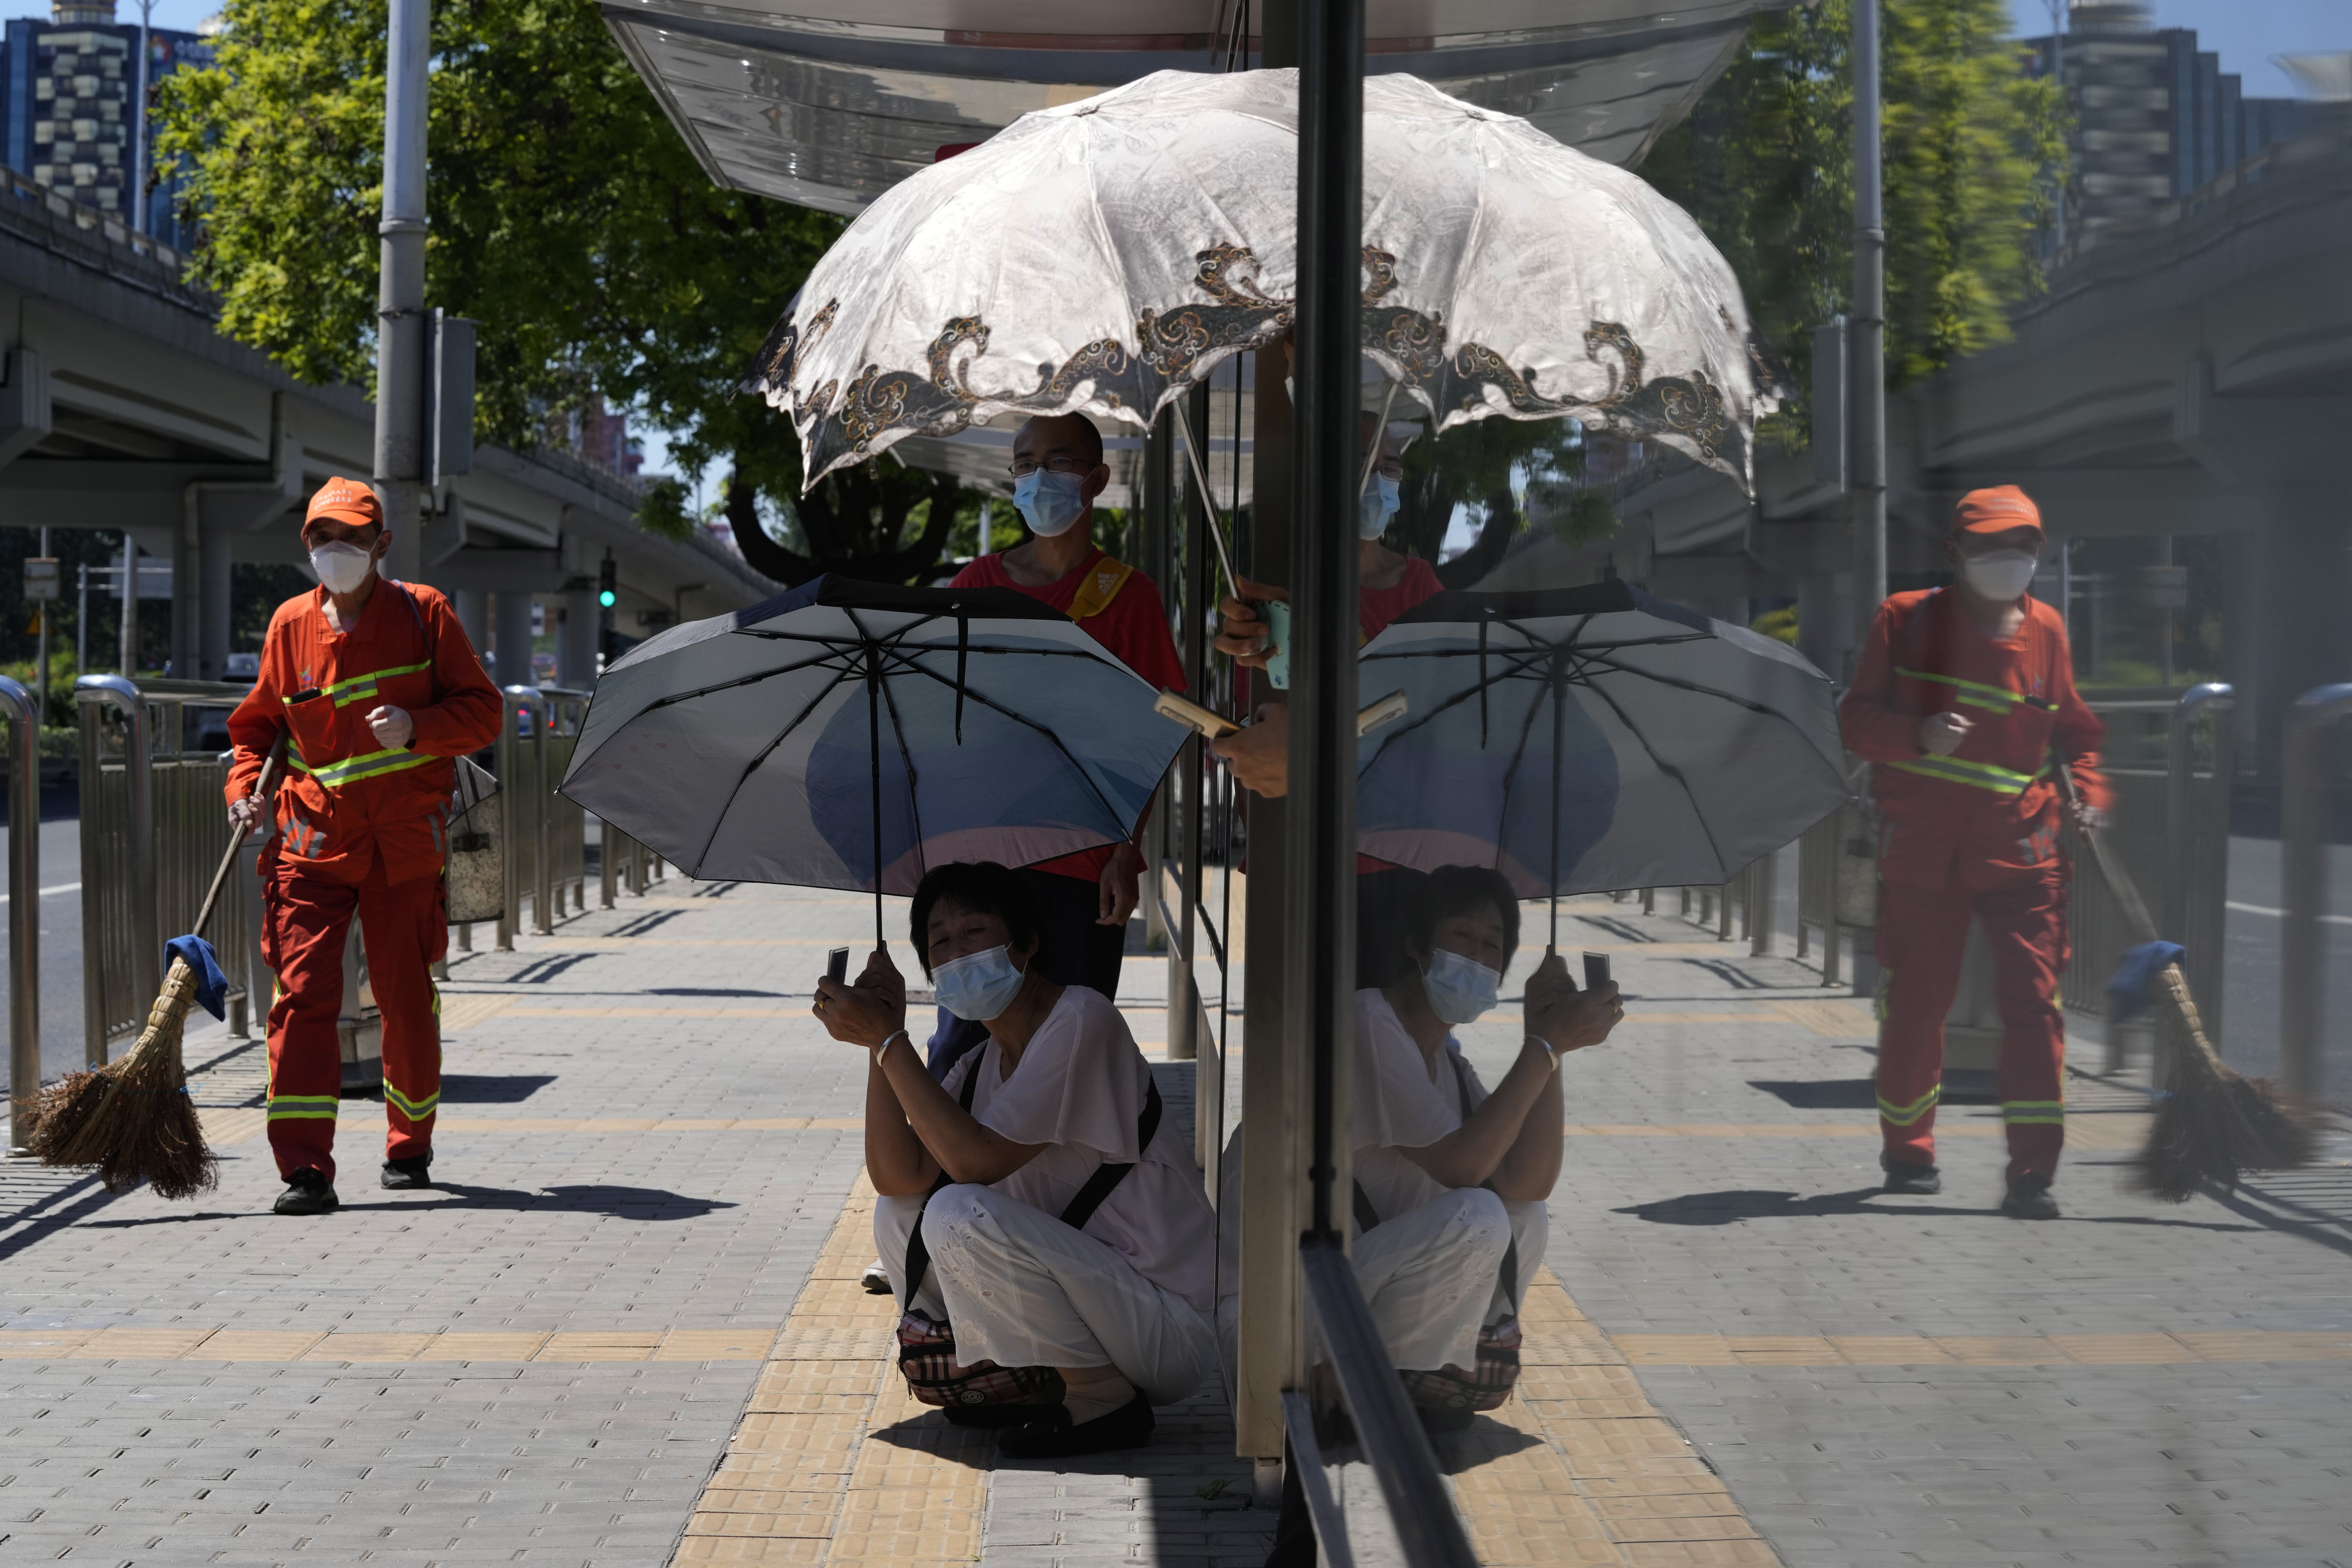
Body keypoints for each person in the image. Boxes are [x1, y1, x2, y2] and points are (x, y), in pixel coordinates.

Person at [814, 861, 1217, 1458]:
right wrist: (882, 1037)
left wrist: (893, 1044)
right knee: (901, 1214)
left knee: (958, 1210)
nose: (956, 953)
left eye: (974, 931)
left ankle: (1101, 1397)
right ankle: (1030, 1381)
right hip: (1102, 1307)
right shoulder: (979, 1064)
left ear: (1027, 943)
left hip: (1165, 1324)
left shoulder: (1082, 1019)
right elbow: (898, 1177)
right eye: (940, 942)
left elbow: (975, 1162)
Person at [1216, 865, 1622, 1430]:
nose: (1477, 957)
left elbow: (1528, 1183)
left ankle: (1420, 1374)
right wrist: (1546, 1046)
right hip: (1276, 1315)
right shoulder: (1367, 1023)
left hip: (1340, 1296)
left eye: (1492, 946)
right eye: (1462, 936)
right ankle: (1393, 1381)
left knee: (1521, 1216)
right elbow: (1465, 1165)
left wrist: (1549, 1044)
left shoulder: (1446, 1060)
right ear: (1415, 945)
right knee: (1478, 1214)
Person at [224, 477, 501, 1215]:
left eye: (349, 538)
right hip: (311, 844)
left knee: (405, 1002)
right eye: (321, 538)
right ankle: (305, 1170)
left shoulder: (425, 614)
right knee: (302, 1000)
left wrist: (419, 728)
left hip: (403, 845)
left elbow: (484, 714)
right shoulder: (289, 626)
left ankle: (409, 1145)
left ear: (381, 546)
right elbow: (257, 732)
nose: (334, 551)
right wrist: (244, 792)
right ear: (306, 544)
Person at [1839, 485, 2107, 1221]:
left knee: (2036, 1010)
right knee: (1916, 1007)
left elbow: (2075, 736)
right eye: (1988, 547)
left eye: (2019, 547)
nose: (2005, 560)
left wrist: (2089, 796)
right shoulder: (1905, 619)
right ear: (1954, 553)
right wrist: (1915, 736)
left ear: (2038, 554)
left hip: (2024, 849)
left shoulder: (2048, 629)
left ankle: (2033, 1175)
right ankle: (1908, 1152)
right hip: (1925, 853)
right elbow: (1855, 721)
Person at [932, 413, 1187, 1077]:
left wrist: (1126, 853)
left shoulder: (1129, 598)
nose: (1038, 477)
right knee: (965, 1046)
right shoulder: (973, 589)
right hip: (980, 863)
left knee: (1072, 1047)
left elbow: (1156, 733)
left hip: (1083, 865)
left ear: (1097, 479)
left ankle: (1060, 1180)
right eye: (1023, 464)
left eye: (1059, 461)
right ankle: (948, 1177)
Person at [1207, 415, 1444, 982]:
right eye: (1360, 467)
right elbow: (1253, 728)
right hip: (1302, 861)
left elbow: (1433, 718)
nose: (1376, 481)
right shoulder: (1278, 596)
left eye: (1388, 468)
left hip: (1400, 859)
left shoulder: (1421, 589)